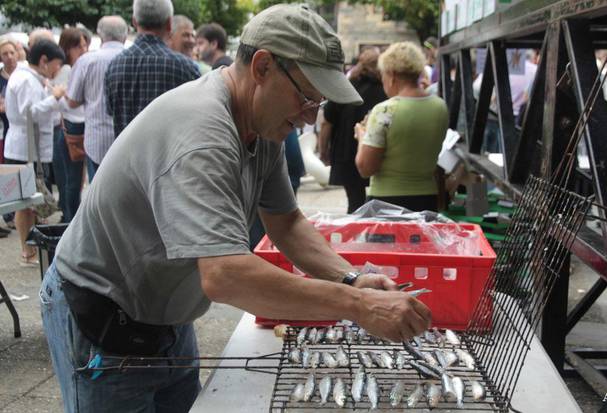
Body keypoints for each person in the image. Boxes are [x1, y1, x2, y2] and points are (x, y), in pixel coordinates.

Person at [41, 4, 430, 412]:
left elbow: (287, 221)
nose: (309, 117)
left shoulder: (262, 127)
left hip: (164, 316)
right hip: (101, 316)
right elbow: (225, 275)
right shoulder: (203, 134)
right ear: (262, 67)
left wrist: (350, 280)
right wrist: (357, 306)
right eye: (307, 97)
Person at [355, 41, 449, 212]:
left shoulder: (385, 110)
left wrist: (362, 134)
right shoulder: (440, 107)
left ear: (391, 75)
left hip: (386, 201)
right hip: (427, 198)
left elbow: (365, 167)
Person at [4, 39, 66, 265]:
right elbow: (30, 113)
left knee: (30, 201)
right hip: (25, 147)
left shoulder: (29, 77)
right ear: (43, 60)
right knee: (25, 202)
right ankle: (26, 250)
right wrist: (54, 97)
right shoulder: (27, 80)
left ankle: (31, 248)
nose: (56, 70)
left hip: (26, 146)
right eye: (56, 65)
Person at [105, 0, 200, 139]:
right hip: (170, 159)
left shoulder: (115, 65)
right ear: (169, 24)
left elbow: (110, 111)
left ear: (134, 22)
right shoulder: (187, 68)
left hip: (126, 159)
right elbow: (196, 118)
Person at [319, 47, 386, 213]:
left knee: (354, 202)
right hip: (379, 154)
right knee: (382, 205)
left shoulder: (345, 88)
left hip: (346, 153)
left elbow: (327, 123)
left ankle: (357, 233)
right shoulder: (386, 91)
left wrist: (323, 151)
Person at [66, 16, 127, 183]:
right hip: (129, 139)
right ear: (126, 34)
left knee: (98, 197)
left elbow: (72, 102)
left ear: (100, 35)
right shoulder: (135, 59)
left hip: (97, 141)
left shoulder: (87, 61)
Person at [52, 28, 88, 223]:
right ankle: (71, 219)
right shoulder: (67, 70)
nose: (83, 49)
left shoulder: (78, 67)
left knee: (72, 180)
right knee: (72, 180)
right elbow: (66, 102)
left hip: (74, 127)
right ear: (67, 48)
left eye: (84, 44)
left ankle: (70, 218)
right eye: (78, 46)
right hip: (71, 128)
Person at [0, 37, 20, 237]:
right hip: (5, 130)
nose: (9, 57)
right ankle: (8, 215)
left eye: (11, 52)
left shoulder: (23, 74)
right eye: (5, 53)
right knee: (6, 173)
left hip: (17, 130)